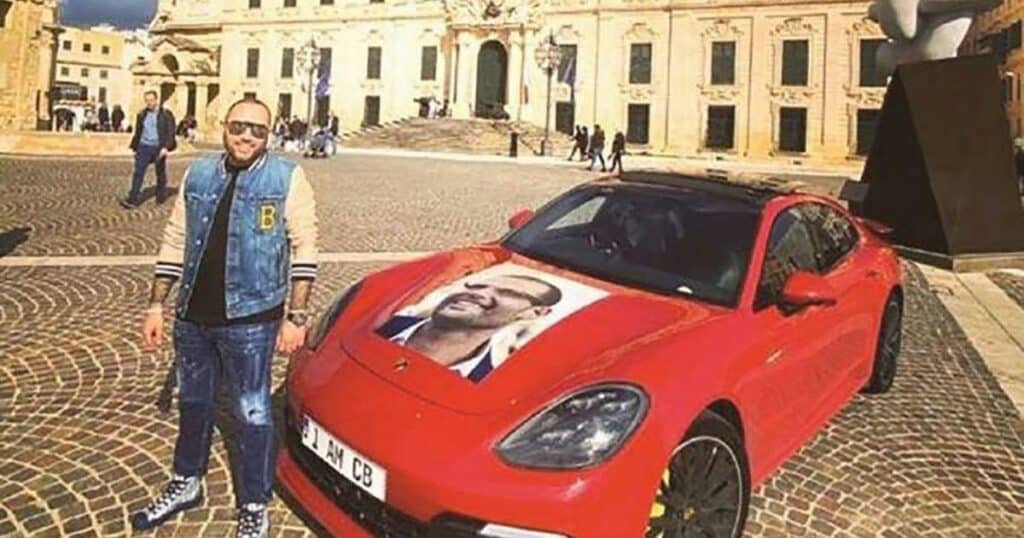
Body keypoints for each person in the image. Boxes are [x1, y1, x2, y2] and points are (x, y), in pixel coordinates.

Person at [131, 96, 319, 538]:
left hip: (251, 318)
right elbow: (175, 239)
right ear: (224, 127)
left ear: (268, 134)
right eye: (238, 126)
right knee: (194, 403)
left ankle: (254, 503)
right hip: (193, 316)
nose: (246, 136)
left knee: (252, 411)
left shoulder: (287, 177)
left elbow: (305, 246)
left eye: (257, 129)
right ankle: (185, 481)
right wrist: (156, 304)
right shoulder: (198, 173)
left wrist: (296, 316)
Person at [377, 275, 561, 382]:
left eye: (507, 292)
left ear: (535, 312)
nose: (477, 293)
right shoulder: (378, 322)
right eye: (476, 286)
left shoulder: (487, 384)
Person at [121, 90, 176, 208]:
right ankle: (133, 199)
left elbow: (171, 131)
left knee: (160, 173)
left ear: (156, 100)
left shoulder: (166, 114)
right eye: (147, 101)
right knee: (138, 172)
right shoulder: (142, 114)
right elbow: (138, 132)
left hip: (158, 147)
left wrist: (166, 147)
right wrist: (135, 147)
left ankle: (161, 195)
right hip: (144, 146)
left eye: (151, 100)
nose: (149, 103)